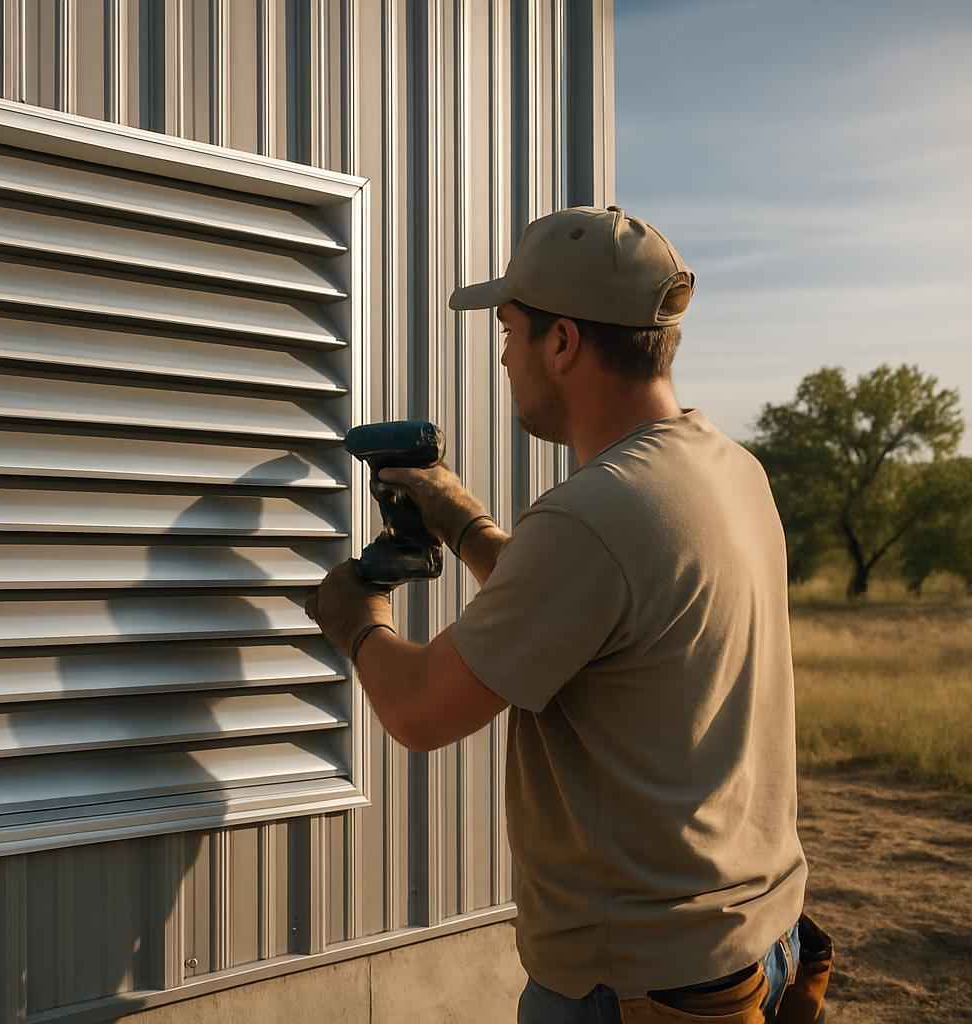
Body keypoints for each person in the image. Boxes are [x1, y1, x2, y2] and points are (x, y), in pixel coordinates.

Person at [304, 206, 833, 1023]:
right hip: (757, 941)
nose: (505, 356)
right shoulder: (728, 470)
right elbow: (605, 617)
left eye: (510, 330)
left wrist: (357, 615)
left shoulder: (592, 516)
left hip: (639, 986)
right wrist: (464, 520)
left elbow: (419, 710)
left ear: (563, 344)